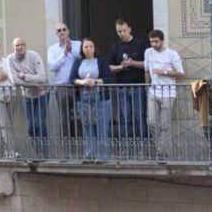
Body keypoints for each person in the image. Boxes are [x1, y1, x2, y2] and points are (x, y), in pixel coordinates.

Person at [108, 18, 148, 150]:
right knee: (125, 118)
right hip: (122, 87)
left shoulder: (141, 44)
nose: (121, 33)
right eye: (119, 31)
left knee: (139, 117)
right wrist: (121, 67)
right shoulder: (115, 46)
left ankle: (142, 146)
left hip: (138, 87)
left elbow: (147, 65)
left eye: (124, 30)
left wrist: (132, 63)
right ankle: (126, 146)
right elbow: (109, 67)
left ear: (129, 29)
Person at [143, 29, 184, 149]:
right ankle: (160, 146)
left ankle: (161, 151)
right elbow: (146, 69)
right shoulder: (148, 52)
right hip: (153, 92)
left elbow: (181, 73)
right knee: (151, 122)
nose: (153, 44)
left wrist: (164, 72)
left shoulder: (172, 54)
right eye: (151, 42)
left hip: (168, 93)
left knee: (165, 124)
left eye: (156, 41)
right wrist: (147, 85)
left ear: (162, 40)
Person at [6, 35, 48, 151]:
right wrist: (33, 81)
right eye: (17, 45)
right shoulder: (10, 59)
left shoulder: (34, 56)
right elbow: (14, 80)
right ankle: (36, 151)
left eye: (22, 45)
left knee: (40, 124)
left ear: (25, 46)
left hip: (42, 93)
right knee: (31, 126)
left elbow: (42, 78)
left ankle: (44, 152)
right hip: (27, 95)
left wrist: (25, 76)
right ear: (13, 47)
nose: (20, 47)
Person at [73, 39, 111, 160]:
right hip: (83, 99)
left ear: (95, 48)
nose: (88, 49)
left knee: (102, 127)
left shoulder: (102, 61)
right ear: (82, 49)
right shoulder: (78, 62)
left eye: (90, 46)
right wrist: (82, 81)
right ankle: (89, 154)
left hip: (101, 99)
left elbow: (107, 77)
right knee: (87, 127)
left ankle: (102, 156)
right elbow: (72, 78)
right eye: (85, 47)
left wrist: (95, 82)